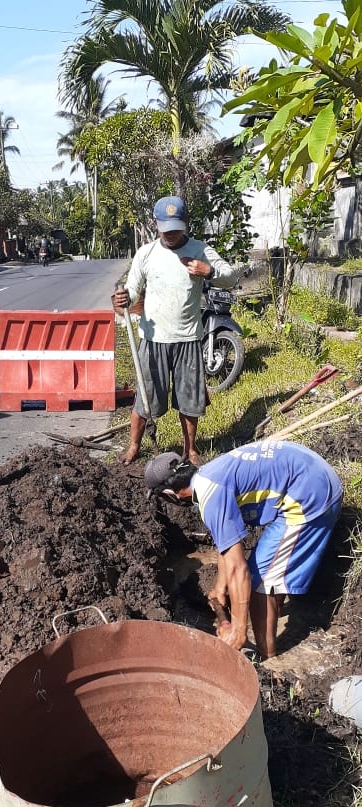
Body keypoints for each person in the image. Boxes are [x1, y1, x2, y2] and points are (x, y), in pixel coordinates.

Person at [143, 440, 343, 660]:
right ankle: (268, 627)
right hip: (311, 474)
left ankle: (267, 659)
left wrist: (238, 631)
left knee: (259, 582)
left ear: (171, 494)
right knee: (268, 572)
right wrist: (220, 587)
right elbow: (227, 543)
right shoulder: (207, 477)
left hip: (311, 495)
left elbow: (239, 569)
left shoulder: (211, 495)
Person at [111, 195, 239, 466]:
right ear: (156, 225)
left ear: (185, 225)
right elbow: (132, 292)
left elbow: (231, 277)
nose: (171, 234)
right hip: (154, 340)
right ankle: (134, 446)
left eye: (176, 228)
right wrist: (122, 301)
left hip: (188, 338)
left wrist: (209, 271)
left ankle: (190, 449)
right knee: (145, 398)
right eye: (166, 229)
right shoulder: (147, 254)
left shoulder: (200, 250)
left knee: (189, 401)